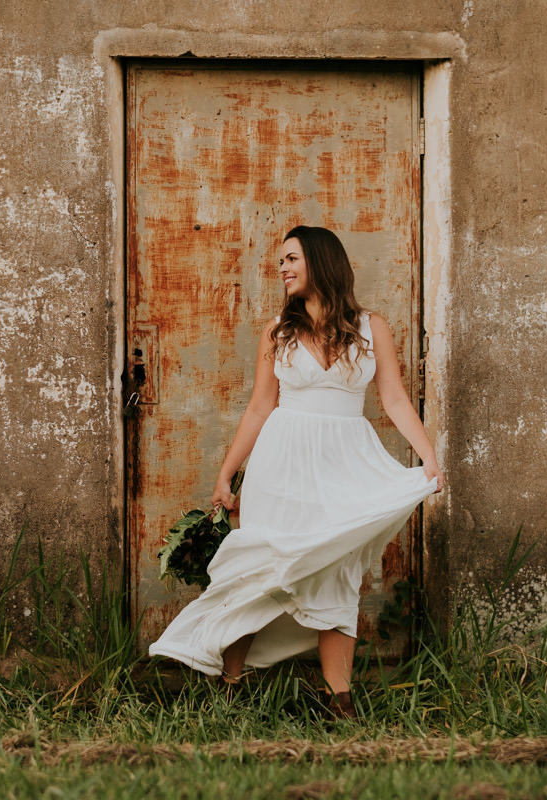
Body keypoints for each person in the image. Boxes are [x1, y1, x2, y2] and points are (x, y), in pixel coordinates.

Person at [148, 225, 445, 718]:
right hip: (282, 464)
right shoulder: (277, 332)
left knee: (337, 569)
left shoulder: (372, 327)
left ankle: (339, 700)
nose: (282, 268)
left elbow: (393, 398)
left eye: (291, 258)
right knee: (263, 567)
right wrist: (226, 474)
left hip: (346, 464)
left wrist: (428, 456)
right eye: (281, 261)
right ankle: (231, 686)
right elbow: (258, 408)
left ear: (322, 261)